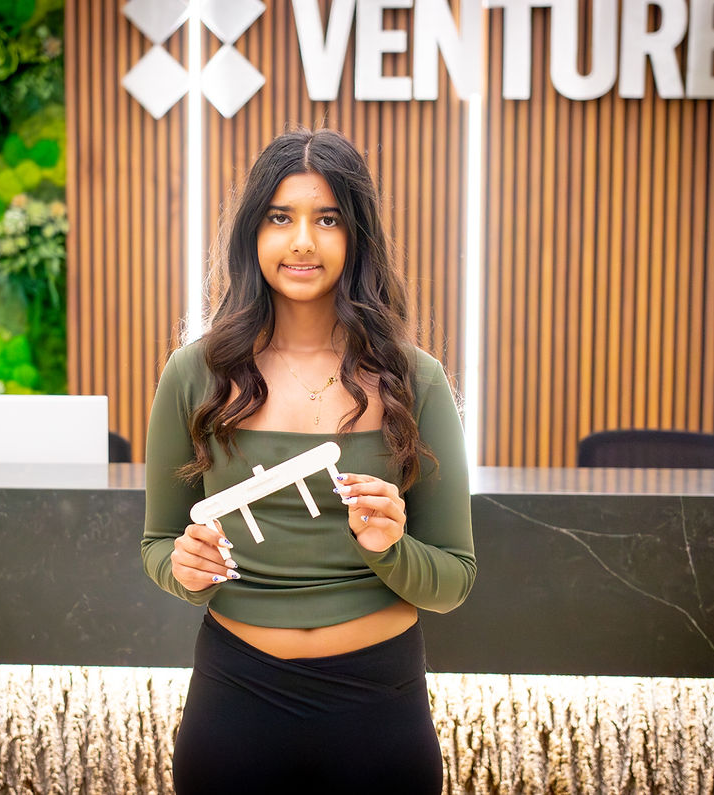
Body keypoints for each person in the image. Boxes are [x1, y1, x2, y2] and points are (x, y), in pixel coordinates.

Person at [142, 128, 475, 794]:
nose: (302, 241)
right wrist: (184, 569)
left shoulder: (416, 380)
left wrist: (391, 548)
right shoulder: (193, 374)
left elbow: (454, 580)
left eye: (326, 218)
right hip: (235, 701)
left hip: (378, 708)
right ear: (253, 234)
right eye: (280, 218)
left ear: (357, 235)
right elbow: (158, 545)